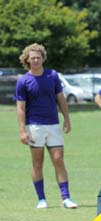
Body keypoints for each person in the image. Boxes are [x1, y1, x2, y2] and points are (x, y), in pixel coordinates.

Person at [14, 43, 78, 209]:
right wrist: (22, 130)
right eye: (32, 58)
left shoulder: (52, 75)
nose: (35, 60)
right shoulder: (23, 81)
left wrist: (67, 119)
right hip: (34, 126)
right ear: (27, 60)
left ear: (43, 58)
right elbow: (20, 107)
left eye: (38, 57)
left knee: (58, 160)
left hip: (53, 125)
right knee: (37, 163)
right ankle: (41, 199)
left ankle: (66, 198)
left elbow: (61, 98)